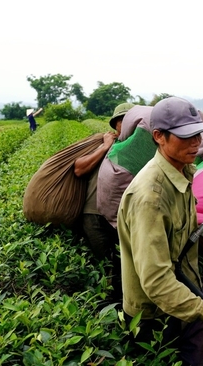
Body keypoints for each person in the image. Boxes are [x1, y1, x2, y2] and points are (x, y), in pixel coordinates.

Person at [117, 97, 203, 365]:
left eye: (197, 133)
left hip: (187, 284)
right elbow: (156, 281)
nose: (195, 142)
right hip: (157, 312)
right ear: (159, 136)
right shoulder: (150, 197)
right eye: (185, 136)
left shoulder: (183, 170)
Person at [74, 102, 134, 300]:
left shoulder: (141, 148)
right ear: (115, 124)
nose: (125, 124)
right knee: (105, 264)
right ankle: (107, 307)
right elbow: (79, 168)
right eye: (121, 120)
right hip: (94, 214)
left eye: (129, 120)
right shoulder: (104, 142)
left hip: (123, 216)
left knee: (126, 263)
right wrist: (106, 146)